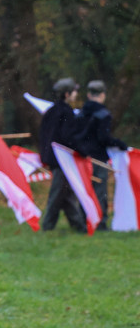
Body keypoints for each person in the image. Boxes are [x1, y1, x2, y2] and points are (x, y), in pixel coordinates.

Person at [75, 80, 128, 231]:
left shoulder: (80, 113)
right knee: (99, 191)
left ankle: (83, 220)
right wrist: (119, 143)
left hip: (83, 158)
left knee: (85, 189)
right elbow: (103, 138)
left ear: (89, 94)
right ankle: (100, 222)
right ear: (103, 95)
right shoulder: (103, 114)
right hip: (98, 158)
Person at [38, 78, 87, 233]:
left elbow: (43, 135)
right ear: (67, 94)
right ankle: (47, 227)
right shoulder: (66, 112)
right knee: (58, 192)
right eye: (74, 91)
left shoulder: (51, 111)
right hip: (61, 160)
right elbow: (68, 137)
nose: (76, 94)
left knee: (66, 193)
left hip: (52, 157)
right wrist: (83, 151)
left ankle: (78, 225)